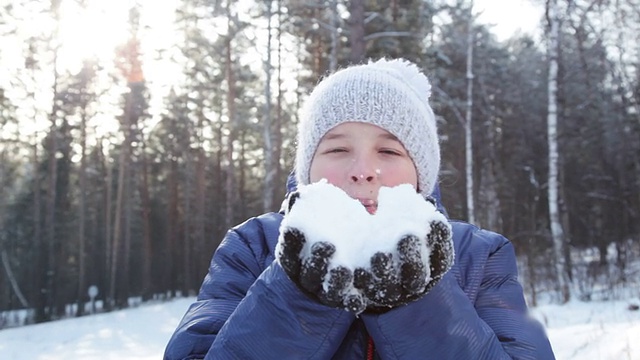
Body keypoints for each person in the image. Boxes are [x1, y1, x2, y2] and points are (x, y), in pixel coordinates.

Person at [163, 58, 555, 359]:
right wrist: (297, 289)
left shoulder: (479, 254)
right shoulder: (253, 246)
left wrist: (418, 297)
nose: (364, 172)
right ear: (307, 169)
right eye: (337, 149)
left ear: (421, 172)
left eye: (388, 150)